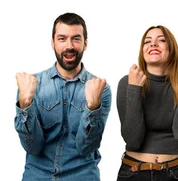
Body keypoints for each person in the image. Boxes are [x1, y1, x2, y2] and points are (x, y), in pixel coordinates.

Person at [14, 12, 111, 181]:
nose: (69, 45)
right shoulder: (32, 85)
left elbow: (85, 148)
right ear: (52, 43)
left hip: (82, 176)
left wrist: (93, 106)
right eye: (62, 38)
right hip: (37, 175)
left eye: (76, 38)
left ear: (85, 43)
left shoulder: (101, 89)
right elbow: (32, 147)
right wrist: (25, 103)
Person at [116, 25, 178, 181]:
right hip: (133, 172)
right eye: (147, 42)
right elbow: (132, 139)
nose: (153, 44)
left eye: (161, 40)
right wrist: (134, 89)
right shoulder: (127, 82)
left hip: (174, 172)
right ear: (143, 51)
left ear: (171, 49)